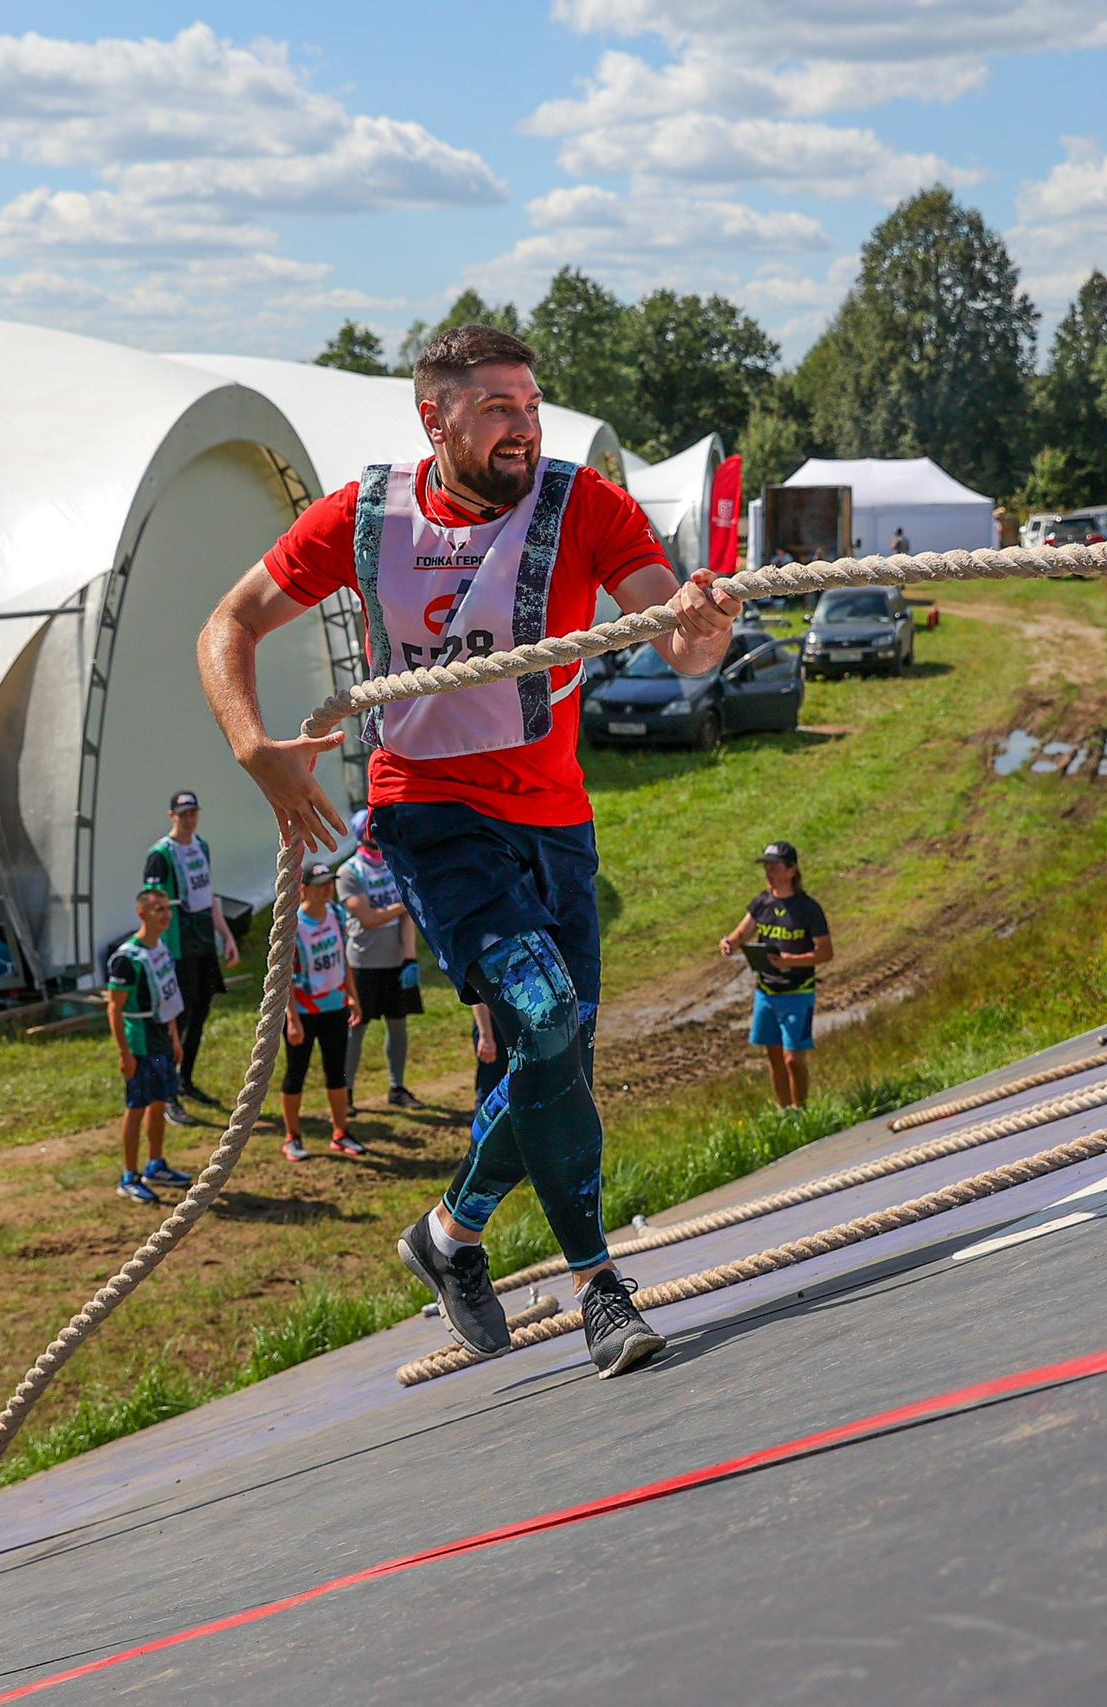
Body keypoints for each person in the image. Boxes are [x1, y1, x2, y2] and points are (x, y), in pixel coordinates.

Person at [199, 321, 742, 1378]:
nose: (522, 426)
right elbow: (229, 622)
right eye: (496, 407)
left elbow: (675, 641)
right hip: (430, 813)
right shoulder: (366, 515)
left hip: (555, 826)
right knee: (540, 1020)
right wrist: (256, 749)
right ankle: (601, 1291)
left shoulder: (584, 501)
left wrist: (705, 629)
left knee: (557, 1060)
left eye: (531, 406)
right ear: (433, 416)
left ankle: (448, 1238)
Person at [141, 789, 240, 1123]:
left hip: (203, 941)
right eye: (182, 814)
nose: (189, 819)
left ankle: (185, 1080)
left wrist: (226, 936)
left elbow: (207, 894)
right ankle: (167, 1093)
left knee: (200, 1012)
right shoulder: (161, 854)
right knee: (177, 1017)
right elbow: (151, 903)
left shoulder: (201, 845)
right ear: (172, 816)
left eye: (193, 812)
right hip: (178, 944)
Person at [718, 840, 834, 1111]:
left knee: (793, 1058)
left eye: (774, 867)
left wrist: (790, 961)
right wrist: (728, 943)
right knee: (774, 1058)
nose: (769, 873)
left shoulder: (808, 908)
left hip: (798, 992)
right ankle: (785, 1114)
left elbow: (826, 952)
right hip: (766, 993)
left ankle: (802, 1110)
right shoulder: (762, 902)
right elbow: (740, 934)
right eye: (766, 868)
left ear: (792, 870)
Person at [105, 886, 192, 1204]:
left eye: (167, 909)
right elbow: (114, 1008)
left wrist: (173, 1036)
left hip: (161, 1040)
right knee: (136, 1108)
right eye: (158, 910)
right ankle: (129, 1175)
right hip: (140, 1043)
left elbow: (167, 997)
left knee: (159, 1102)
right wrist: (124, 1053)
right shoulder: (128, 959)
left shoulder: (161, 949)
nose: (166, 915)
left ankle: (155, 1164)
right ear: (142, 913)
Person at [338, 809, 424, 1109]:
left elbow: (408, 917)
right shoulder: (350, 872)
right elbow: (370, 917)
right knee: (356, 1028)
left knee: (398, 1025)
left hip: (395, 961)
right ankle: (345, 1092)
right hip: (363, 963)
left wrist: (410, 958)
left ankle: (397, 1087)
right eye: (371, 829)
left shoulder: (393, 864)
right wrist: (405, 904)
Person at [279, 860, 364, 1161]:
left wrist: (352, 996)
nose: (327, 889)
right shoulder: (293, 925)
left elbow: (342, 959)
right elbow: (284, 974)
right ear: (303, 890)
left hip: (335, 1007)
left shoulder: (337, 914)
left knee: (336, 1071)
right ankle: (292, 1137)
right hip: (303, 1011)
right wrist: (292, 1018)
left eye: (330, 883)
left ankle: (340, 1133)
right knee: (296, 1073)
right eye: (320, 885)